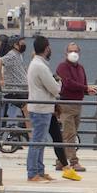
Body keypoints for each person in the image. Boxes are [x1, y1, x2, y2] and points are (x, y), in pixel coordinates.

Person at [54, 42, 97, 173]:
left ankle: (60, 161)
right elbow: (67, 83)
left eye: (76, 51)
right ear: (66, 53)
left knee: (69, 134)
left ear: (79, 53)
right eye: (71, 51)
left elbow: (82, 84)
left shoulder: (81, 68)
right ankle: (73, 162)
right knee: (70, 134)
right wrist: (85, 88)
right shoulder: (62, 67)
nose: (73, 53)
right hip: (66, 104)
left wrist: (87, 91)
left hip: (78, 104)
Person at [25, 36, 61, 183]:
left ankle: (39, 171)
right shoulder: (40, 66)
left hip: (40, 107)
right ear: (46, 48)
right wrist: (59, 82)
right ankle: (33, 173)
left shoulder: (37, 64)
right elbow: (55, 89)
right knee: (37, 141)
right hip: (41, 108)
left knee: (40, 140)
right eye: (49, 46)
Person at [0, 34, 29, 127]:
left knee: (29, 111)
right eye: (22, 42)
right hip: (16, 90)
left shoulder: (18, 55)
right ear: (15, 44)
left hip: (21, 89)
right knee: (27, 111)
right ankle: (31, 135)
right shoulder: (12, 55)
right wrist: (0, 80)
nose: (24, 44)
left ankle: (28, 134)